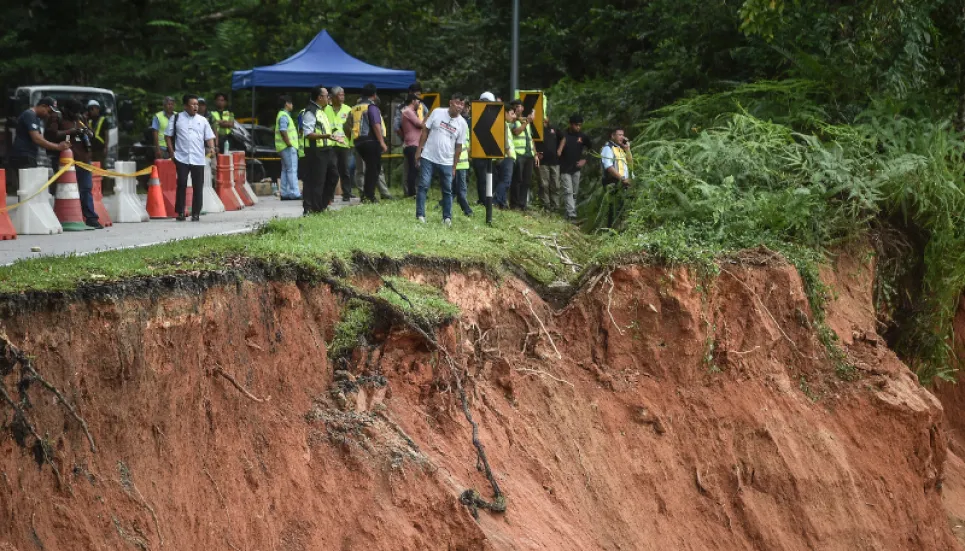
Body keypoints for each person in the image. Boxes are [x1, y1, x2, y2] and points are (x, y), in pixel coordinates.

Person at [45, 99, 101, 229]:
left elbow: (90, 132)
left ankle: (91, 218)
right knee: (65, 191)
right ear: (67, 110)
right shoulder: (57, 117)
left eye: (78, 113)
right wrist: (71, 132)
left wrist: (86, 132)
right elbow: (52, 136)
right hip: (66, 161)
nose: (76, 115)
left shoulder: (80, 118)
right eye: (74, 112)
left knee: (86, 188)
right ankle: (65, 217)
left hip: (83, 159)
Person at [414, 92, 468, 226]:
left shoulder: (462, 123)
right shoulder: (437, 112)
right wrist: (419, 149)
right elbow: (425, 131)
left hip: (447, 161)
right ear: (450, 102)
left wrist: (454, 166)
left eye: (462, 104)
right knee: (423, 185)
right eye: (457, 102)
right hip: (428, 156)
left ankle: (447, 217)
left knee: (447, 190)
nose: (459, 106)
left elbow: (459, 147)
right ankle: (420, 215)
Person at [164, 94, 216, 222]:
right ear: (185, 106)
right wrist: (171, 152)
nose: (196, 106)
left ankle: (196, 213)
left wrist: (212, 148)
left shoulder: (202, 120)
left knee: (198, 186)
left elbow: (209, 137)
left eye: (197, 104)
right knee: (181, 183)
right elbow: (167, 136)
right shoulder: (177, 118)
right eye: (193, 104)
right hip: (181, 157)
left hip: (198, 158)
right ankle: (181, 212)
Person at [8, 97, 68, 190]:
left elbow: (40, 139)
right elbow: (37, 139)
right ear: (43, 106)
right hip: (23, 156)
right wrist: (57, 147)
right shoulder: (29, 115)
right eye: (48, 112)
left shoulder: (36, 118)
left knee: (28, 188)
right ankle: (25, 205)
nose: (48, 115)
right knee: (27, 189)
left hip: (28, 155)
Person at [301, 86, 341, 214]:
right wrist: (327, 136)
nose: (328, 97)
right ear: (319, 97)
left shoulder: (322, 111)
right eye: (326, 95)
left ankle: (321, 205)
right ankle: (312, 208)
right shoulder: (310, 112)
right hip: (316, 151)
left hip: (327, 149)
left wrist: (332, 136)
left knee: (333, 177)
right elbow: (308, 133)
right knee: (317, 181)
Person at [351, 84, 388, 203]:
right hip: (371, 141)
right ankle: (369, 196)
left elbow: (347, 126)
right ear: (374, 95)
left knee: (370, 168)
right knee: (374, 168)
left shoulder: (354, 108)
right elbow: (375, 124)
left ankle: (367, 194)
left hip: (358, 142)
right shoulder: (371, 107)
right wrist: (382, 142)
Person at [558, 114, 593, 220]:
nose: (578, 127)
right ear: (571, 124)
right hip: (564, 168)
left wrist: (585, 160)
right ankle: (572, 214)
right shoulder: (563, 135)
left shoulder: (582, 136)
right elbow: (557, 150)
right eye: (576, 125)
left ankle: (568, 213)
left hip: (576, 168)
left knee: (574, 192)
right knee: (568, 191)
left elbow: (592, 148)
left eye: (580, 125)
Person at [325, 86, 354, 201]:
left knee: (345, 170)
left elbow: (352, 127)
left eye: (343, 95)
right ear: (332, 97)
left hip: (344, 144)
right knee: (332, 170)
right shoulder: (325, 109)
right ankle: (329, 196)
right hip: (330, 144)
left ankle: (346, 194)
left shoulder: (348, 109)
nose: (342, 97)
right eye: (340, 95)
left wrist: (351, 142)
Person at [600, 127, 633, 227]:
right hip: (613, 182)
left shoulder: (621, 149)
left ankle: (619, 229)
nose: (622, 137)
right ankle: (611, 230)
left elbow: (630, 164)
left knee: (622, 207)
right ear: (613, 136)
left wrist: (627, 149)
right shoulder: (608, 148)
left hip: (624, 183)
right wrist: (622, 179)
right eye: (619, 135)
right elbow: (608, 166)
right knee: (613, 208)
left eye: (623, 135)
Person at [508, 99, 538, 210]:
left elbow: (530, 138)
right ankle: (514, 204)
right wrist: (526, 122)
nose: (519, 108)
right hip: (518, 154)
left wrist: (535, 154)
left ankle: (522, 204)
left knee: (526, 181)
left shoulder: (526, 121)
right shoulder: (512, 121)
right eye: (516, 106)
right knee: (517, 180)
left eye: (520, 106)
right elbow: (516, 132)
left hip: (528, 154)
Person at [472, 91, 497, 203]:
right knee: (482, 179)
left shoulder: (496, 117)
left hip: (490, 153)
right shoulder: (474, 117)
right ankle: (483, 200)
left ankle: (488, 199)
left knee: (491, 178)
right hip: (478, 152)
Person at [274, 95, 301, 201]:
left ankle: (284, 193)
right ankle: (295, 193)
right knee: (292, 170)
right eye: (291, 103)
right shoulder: (284, 115)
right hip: (287, 147)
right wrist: (289, 143)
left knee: (285, 170)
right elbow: (283, 130)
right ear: (287, 104)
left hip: (283, 147)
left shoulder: (282, 115)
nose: (292, 105)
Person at [535, 114, 561, 211]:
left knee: (556, 185)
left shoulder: (553, 128)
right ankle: (546, 206)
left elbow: (563, 138)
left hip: (554, 161)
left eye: (545, 117)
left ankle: (555, 206)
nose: (544, 119)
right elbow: (532, 140)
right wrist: (535, 153)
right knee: (544, 184)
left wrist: (560, 150)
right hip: (543, 161)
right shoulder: (537, 128)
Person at [400, 94, 424, 197]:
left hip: (414, 145)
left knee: (415, 169)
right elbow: (420, 124)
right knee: (413, 170)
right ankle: (412, 193)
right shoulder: (408, 112)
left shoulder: (411, 112)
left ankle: (415, 192)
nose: (419, 104)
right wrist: (427, 118)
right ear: (413, 101)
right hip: (412, 145)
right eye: (419, 102)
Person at [493, 105, 517, 209]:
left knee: (501, 180)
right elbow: (505, 143)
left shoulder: (500, 123)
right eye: (512, 113)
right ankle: (495, 201)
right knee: (506, 181)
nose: (514, 116)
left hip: (501, 156)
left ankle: (502, 204)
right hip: (506, 157)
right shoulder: (502, 124)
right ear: (505, 113)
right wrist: (510, 155)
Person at [151, 96, 175, 160]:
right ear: (164, 105)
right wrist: (157, 149)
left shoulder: (177, 116)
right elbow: (155, 133)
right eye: (169, 104)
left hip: (174, 147)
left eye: (172, 104)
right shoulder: (158, 116)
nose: (171, 106)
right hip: (162, 147)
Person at [86, 100, 109, 165]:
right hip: (91, 149)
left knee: (101, 167)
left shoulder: (103, 120)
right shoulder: (88, 120)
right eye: (90, 109)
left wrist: (106, 147)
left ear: (97, 109)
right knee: (92, 167)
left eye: (92, 108)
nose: (91, 111)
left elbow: (106, 134)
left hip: (100, 149)